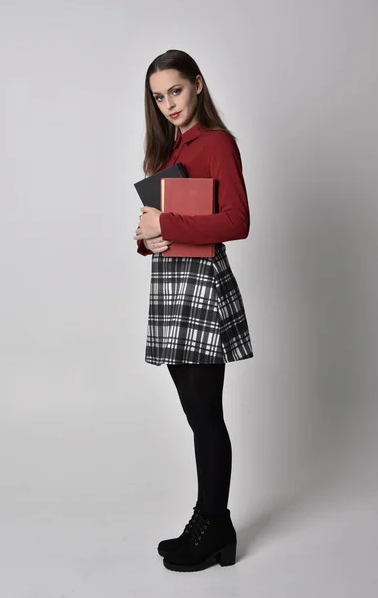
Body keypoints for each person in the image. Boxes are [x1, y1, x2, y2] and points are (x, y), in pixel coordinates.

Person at [133, 49, 254, 573]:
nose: (168, 105)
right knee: (194, 412)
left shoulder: (218, 143)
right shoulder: (170, 149)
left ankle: (215, 525)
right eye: (159, 98)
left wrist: (169, 225)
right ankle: (207, 520)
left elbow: (237, 220)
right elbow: (159, 222)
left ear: (198, 85)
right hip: (173, 283)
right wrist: (146, 238)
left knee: (206, 414)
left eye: (175, 91)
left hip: (202, 285)